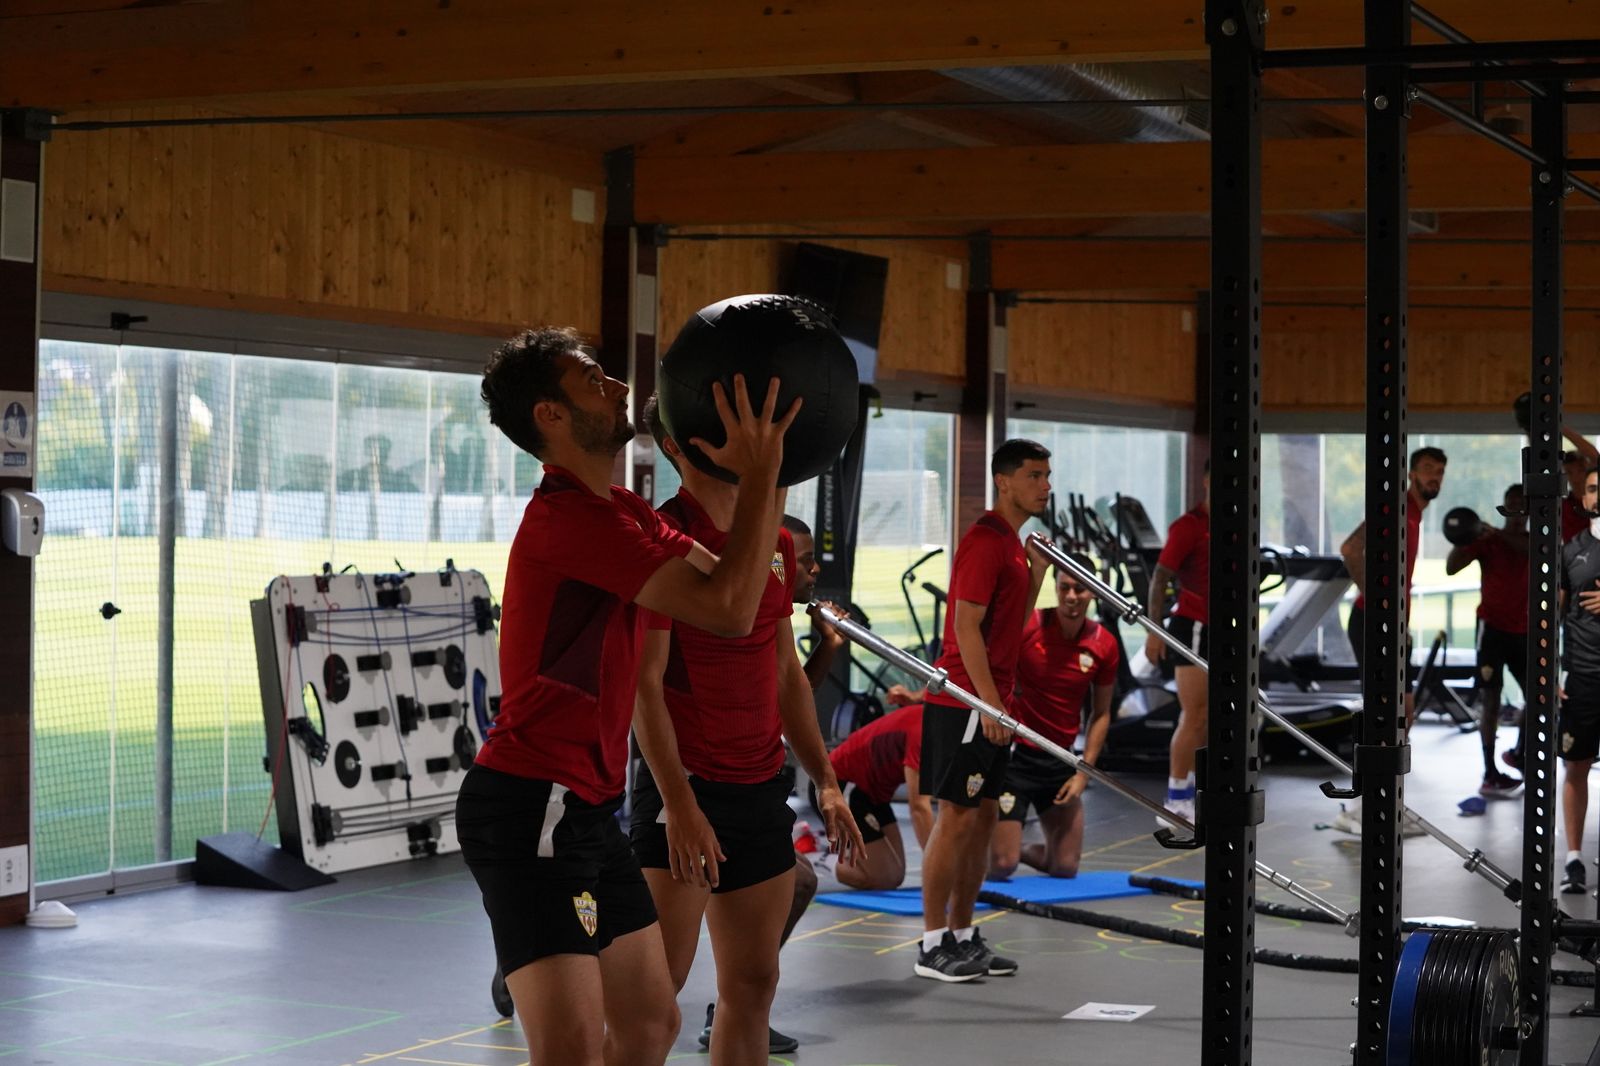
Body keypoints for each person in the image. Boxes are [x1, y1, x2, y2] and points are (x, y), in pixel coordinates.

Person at [459, 328, 797, 1066]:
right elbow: (731, 611)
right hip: (527, 807)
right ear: (551, 415)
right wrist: (767, 473)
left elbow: (753, 592)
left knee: (651, 1022)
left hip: (585, 810)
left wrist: (756, 479)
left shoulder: (625, 512)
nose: (616, 387)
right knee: (573, 1050)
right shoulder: (569, 520)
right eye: (592, 379)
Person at [630, 396, 865, 1065]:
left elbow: (785, 671)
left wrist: (826, 780)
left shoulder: (777, 541)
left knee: (754, 986)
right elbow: (644, 686)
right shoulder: (662, 538)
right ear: (680, 449)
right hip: (686, 792)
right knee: (658, 994)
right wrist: (677, 805)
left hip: (761, 788)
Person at [916, 438, 1051, 982]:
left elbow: (1007, 627)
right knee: (956, 818)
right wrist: (988, 705)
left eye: (1046, 476)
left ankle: (965, 934)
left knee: (985, 817)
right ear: (1004, 481)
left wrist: (1037, 573)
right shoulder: (985, 540)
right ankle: (931, 944)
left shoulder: (1015, 546)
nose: (1045, 486)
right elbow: (965, 627)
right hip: (964, 703)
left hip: (995, 701)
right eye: (1035, 476)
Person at [1332, 446, 1447, 836]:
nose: (1434, 477)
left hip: (1393, 626)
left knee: (1404, 710)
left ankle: (1383, 796)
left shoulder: (1414, 514)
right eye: (1428, 470)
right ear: (1412, 474)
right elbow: (1349, 549)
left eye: (1440, 472)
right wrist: (1381, 606)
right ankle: (1363, 805)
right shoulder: (1395, 508)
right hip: (1373, 622)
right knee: (1387, 710)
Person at [991, 557, 1119, 880]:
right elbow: (989, 668)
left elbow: (1101, 714)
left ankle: (1013, 846)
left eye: (1080, 588)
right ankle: (996, 850)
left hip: (1060, 760)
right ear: (1055, 588)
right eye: (1065, 587)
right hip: (1016, 759)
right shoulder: (1030, 627)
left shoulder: (1104, 645)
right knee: (1001, 866)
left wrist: (1083, 774)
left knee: (1065, 867)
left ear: (1093, 592)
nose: (1072, 596)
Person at [1443, 483, 1527, 797]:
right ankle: (1490, 771)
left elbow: (1526, 548)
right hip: (1492, 631)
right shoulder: (1488, 542)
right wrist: (1467, 537)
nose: (1516, 510)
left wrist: (1498, 533)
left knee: (1538, 698)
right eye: (1511, 504)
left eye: (1522, 505)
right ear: (1504, 508)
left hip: (1526, 633)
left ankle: (1519, 753)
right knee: (1490, 699)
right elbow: (1452, 568)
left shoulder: (1535, 539)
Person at [1146, 461, 1209, 825]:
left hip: (1224, 629)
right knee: (1195, 714)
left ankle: (1197, 792)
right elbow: (1160, 578)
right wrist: (1156, 630)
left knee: (1213, 718)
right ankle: (1174, 800)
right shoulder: (1189, 527)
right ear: (1204, 482)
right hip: (1194, 626)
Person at [811, 702, 931, 890]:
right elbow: (919, 807)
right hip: (841, 787)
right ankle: (812, 857)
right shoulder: (923, 732)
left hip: (873, 795)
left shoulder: (933, 720)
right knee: (883, 878)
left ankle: (834, 848)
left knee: (896, 875)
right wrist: (939, 866)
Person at [1559, 466, 1600, 895]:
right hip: (1583, 676)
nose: (1596, 494)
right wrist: (1549, 673)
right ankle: (1573, 861)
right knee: (1576, 767)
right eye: (1590, 488)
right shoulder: (1572, 551)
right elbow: (1551, 618)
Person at [1559, 430, 1600, 543]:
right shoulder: (1563, 506)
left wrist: (1561, 428)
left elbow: (1594, 457)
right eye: (1569, 472)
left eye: (1581, 469)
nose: (1576, 476)